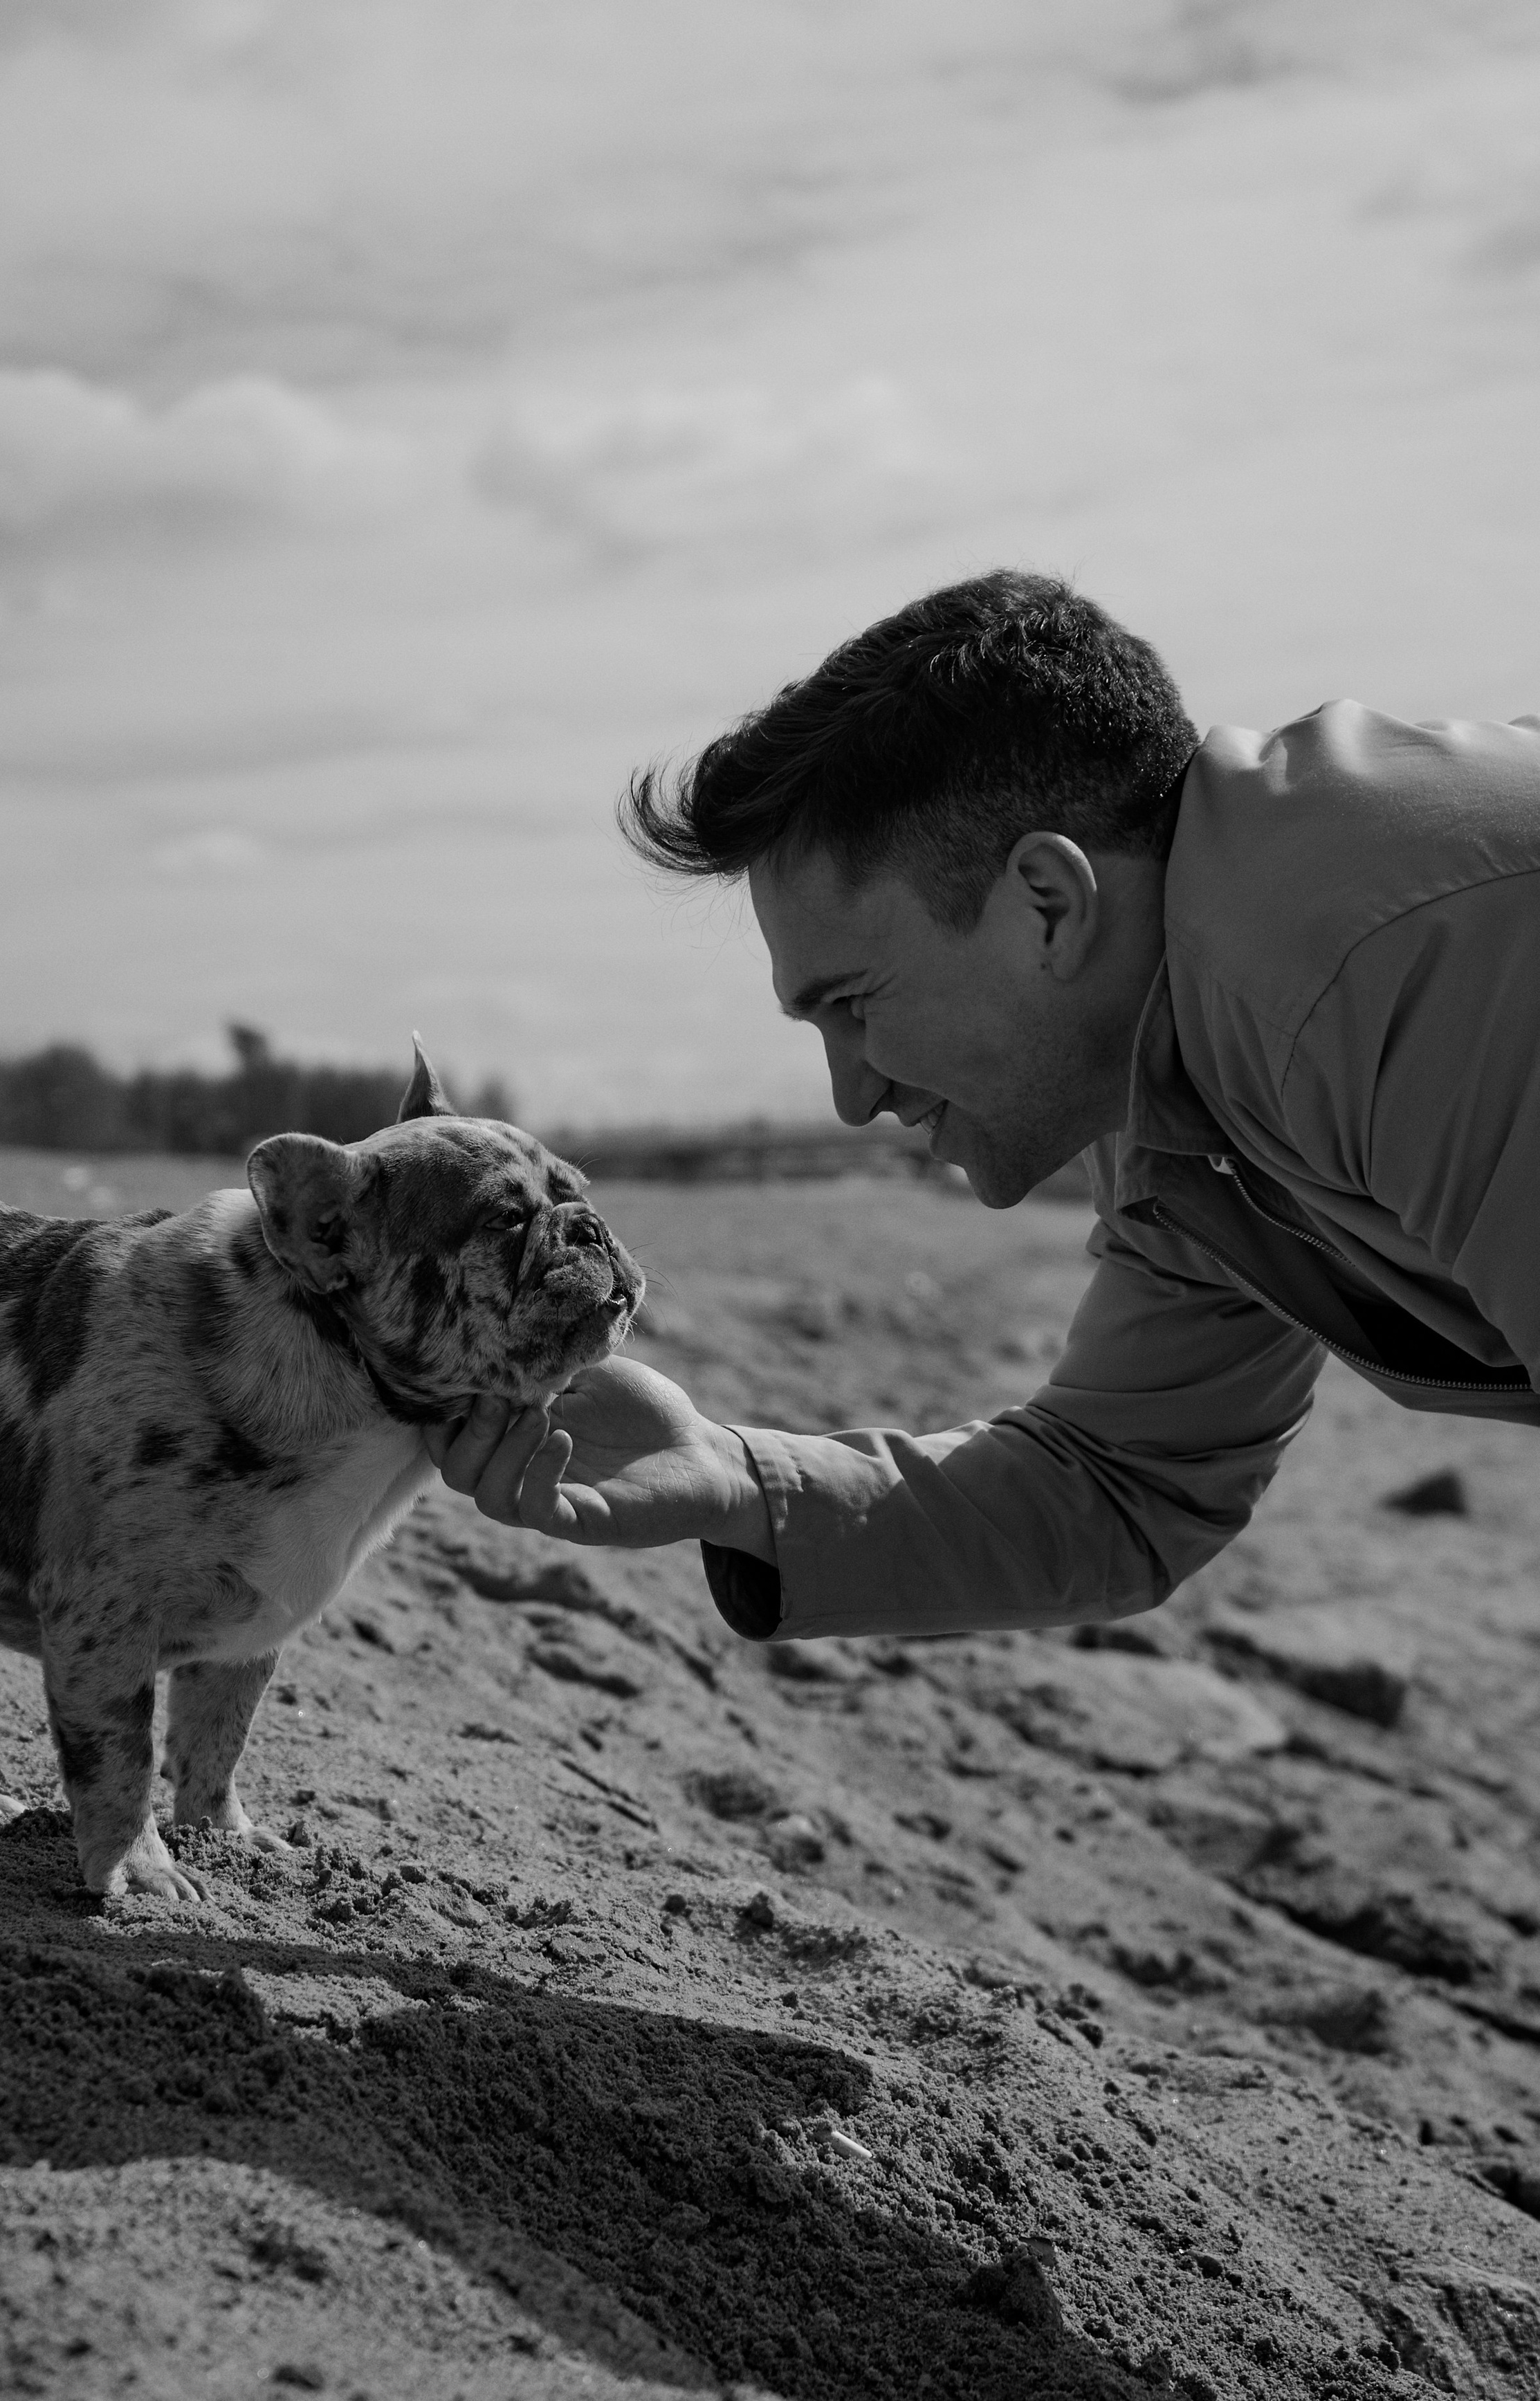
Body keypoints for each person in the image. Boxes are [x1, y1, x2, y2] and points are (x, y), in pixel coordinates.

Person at [430, 570, 1540, 1646]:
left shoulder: (1381, 969)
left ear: (1047, 907)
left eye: (857, 1004)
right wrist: (737, 1479)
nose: (851, 1096)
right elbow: (1123, 1482)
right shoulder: (1165, 1063)